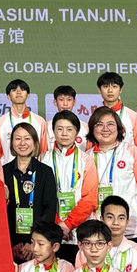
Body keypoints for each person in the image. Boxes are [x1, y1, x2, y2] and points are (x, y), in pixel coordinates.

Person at [85, 106, 137, 246]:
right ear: (92, 129)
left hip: (132, 229)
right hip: (97, 231)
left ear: (119, 128)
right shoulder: (85, 158)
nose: (105, 129)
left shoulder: (134, 153)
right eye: (99, 124)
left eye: (110, 124)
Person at [38, 110, 99, 263]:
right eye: (59, 128)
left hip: (80, 232)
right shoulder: (42, 159)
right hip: (51, 232)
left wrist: (68, 224)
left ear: (77, 132)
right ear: (53, 131)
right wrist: (58, 224)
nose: (64, 133)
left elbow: (90, 199)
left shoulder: (87, 160)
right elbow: (40, 199)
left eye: (69, 129)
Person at [4, 122, 58, 264]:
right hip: (11, 244)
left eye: (27, 138)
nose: (22, 143)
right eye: (18, 138)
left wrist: (32, 242)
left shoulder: (45, 172)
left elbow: (49, 208)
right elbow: (0, 211)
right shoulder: (3, 171)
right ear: (12, 143)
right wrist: (13, 242)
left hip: (38, 245)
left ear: (34, 142)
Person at [0, 79, 48, 165]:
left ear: (28, 95)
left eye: (22, 89)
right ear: (8, 96)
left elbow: (43, 152)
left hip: (34, 172)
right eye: (14, 90)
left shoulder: (40, 121)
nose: (18, 92)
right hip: (8, 171)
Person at [96, 72, 137, 155]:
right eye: (105, 86)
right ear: (99, 90)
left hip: (129, 164)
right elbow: (91, 145)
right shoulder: (95, 117)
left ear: (120, 90)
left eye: (114, 86)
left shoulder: (133, 116)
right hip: (102, 164)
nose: (110, 90)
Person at [46, 85, 89, 151]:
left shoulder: (85, 127)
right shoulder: (46, 127)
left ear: (74, 102)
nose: (65, 104)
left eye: (69, 100)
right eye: (61, 100)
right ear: (55, 102)